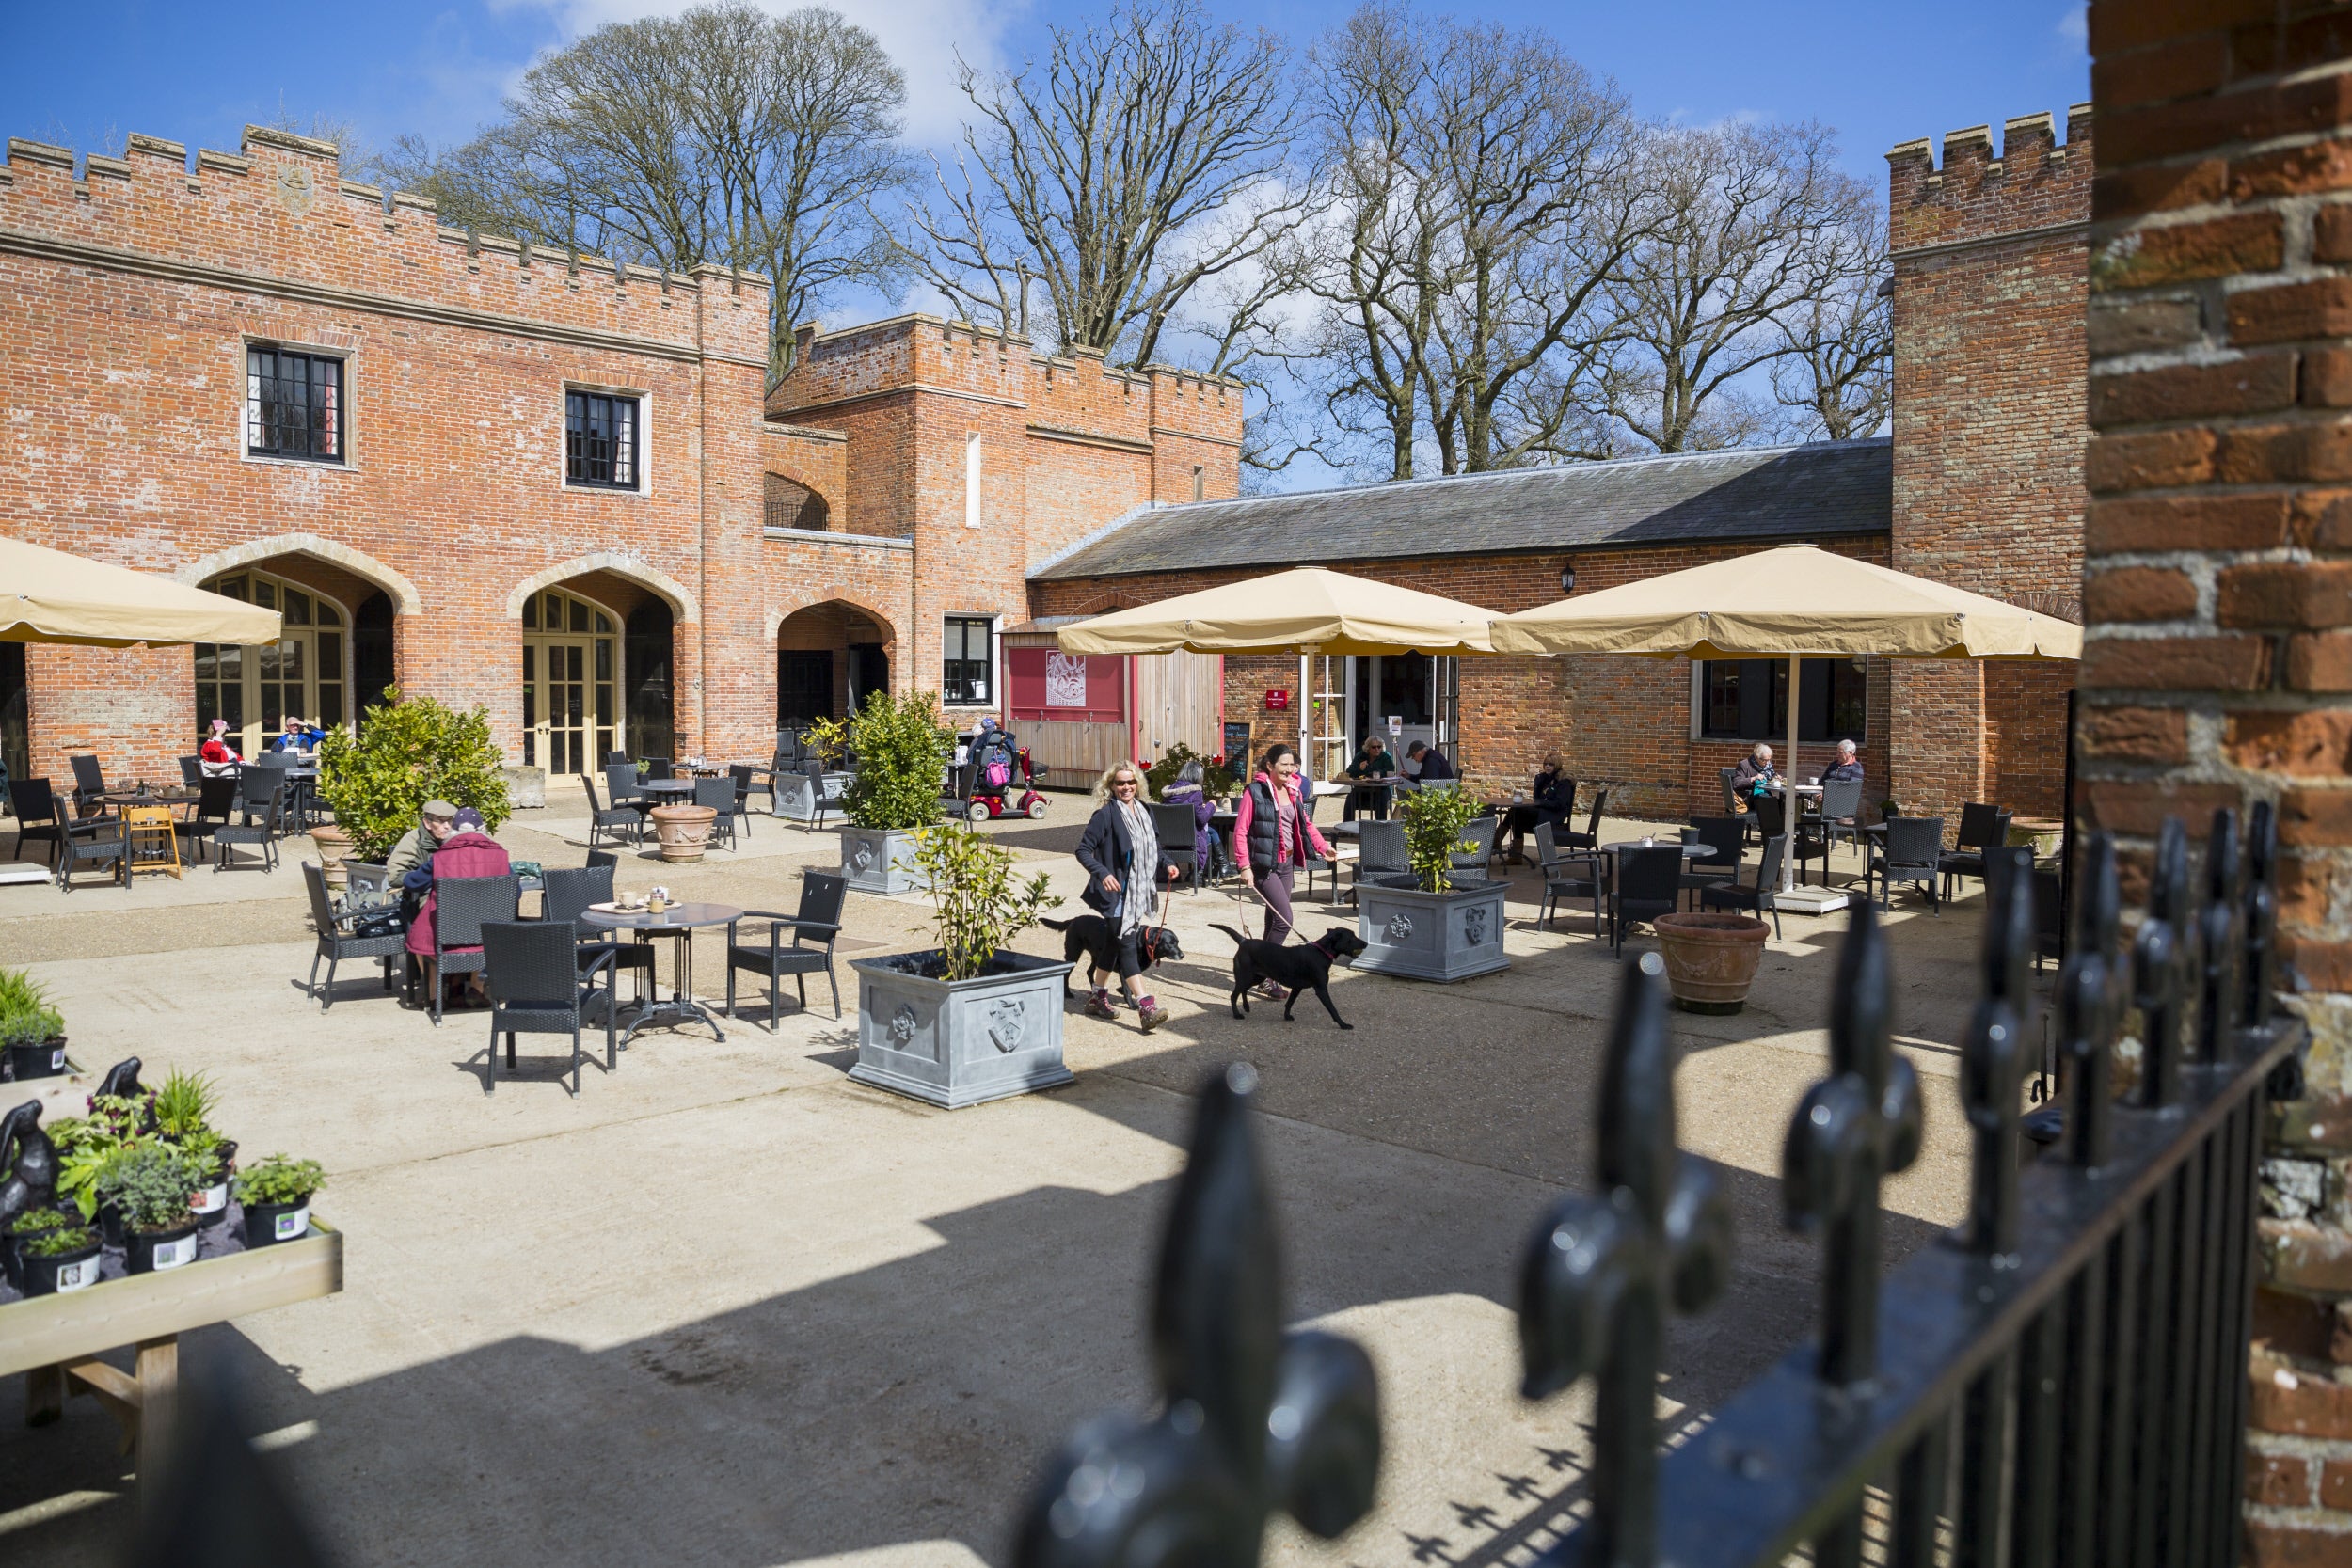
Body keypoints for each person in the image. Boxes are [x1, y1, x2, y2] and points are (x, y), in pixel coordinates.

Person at [1073, 763, 1180, 1031]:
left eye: (1130, 782)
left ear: (1138, 784)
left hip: (1138, 891)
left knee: (1112, 944)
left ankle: (1097, 996)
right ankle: (1146, 1005)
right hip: (1116, 893)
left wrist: (1167, 863)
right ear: (1111, 786)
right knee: (1127, 943)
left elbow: (1153, 846)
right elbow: (1083, 850)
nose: (1126, 787)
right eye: (1120, 783)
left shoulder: (1145, 810)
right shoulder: (1105, 815)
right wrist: (1102, 873)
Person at [1232, 743, 1333, 1000]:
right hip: (1264, 866)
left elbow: (1305, 824)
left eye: (1293, 765)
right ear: (1270, 765)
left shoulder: (1294, 790)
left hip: (1287, 864)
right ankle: (1267, 974)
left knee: (1273, 919)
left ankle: (1258, 970)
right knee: (1284, 919)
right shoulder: (1254, 792)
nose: (1290, 769)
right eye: (1284, 764)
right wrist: (1244, 866)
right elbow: (1241, 831)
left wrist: (1322, 847)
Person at [405, 806, 512, 1006]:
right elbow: (516, 891)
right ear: (482, 829)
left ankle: (434, 995)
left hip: (445, 938)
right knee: (484, 924)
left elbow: (412, 883)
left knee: (420, 937)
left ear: (453, 830)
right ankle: (476, 988)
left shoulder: (440, 858)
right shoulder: (500, 856)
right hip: (488, 937)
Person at [1502, 752, 1573, 864]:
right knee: (1516, 813)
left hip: (1554, 816)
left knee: (1516, 812)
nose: (1547, 767)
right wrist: (1538, 784)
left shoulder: (1563, 781)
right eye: (1545, 764)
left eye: (1551, 764)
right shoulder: (1543, 778)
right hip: (1542, 811)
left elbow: (1559, 804)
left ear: (1557, 765)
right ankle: (1514, 855)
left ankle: (1503, 847)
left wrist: (1542, 803)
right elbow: (1537, 799)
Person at [1161, 758, 1221, 878]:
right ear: (1198, 775)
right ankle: (1202, 871)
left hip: (1169, 840)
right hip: (1189, 841)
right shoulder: (1195, 792)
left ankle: (1220, 866)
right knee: (1211, 834)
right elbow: (1202, 819)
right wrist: (1211, 805)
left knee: (1212, 832)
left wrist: (1201, 807)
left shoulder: (1169, 792)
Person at [1342, 735, 1397, 821]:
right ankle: (1346, 827)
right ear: (1368, 748)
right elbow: (1349, 772)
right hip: (1362, 790)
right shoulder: (1360, 756)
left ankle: (1380, 828)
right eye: (1374, 747)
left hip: (1381, 789)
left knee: (1381, 798)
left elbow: (1390, 771)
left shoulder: (1386, 756)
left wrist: (1373, 773)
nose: (1377, 749)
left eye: (1379, 747)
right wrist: (1359, 768)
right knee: (1351, 797)